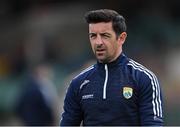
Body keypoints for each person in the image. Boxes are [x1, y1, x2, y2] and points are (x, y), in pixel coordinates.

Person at [60, 9, 164, 126]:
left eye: (105, 35)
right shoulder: (78, 83)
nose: (98, 42)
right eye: (93, 36)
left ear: (121, 38)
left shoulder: (144, 79)